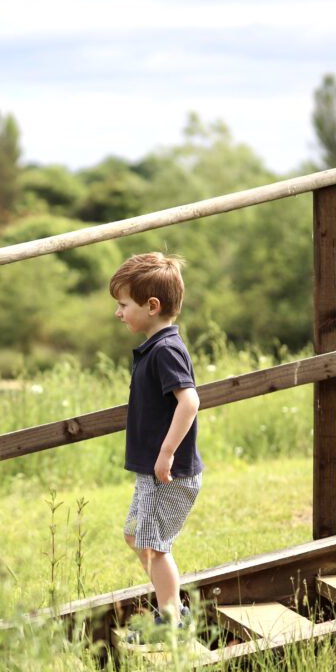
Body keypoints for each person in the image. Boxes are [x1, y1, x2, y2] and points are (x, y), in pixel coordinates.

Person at [109, 252, 203, 633]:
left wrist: (166, 454)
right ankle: (173, 610)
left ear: (152, 306)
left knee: (154, 546)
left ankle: (171, 618)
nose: (118, 313)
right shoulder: (155, 347)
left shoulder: (166, 350)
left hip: (168, 473)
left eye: (123, 304)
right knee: (136, 536)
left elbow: (190, 401)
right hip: (154, 473)